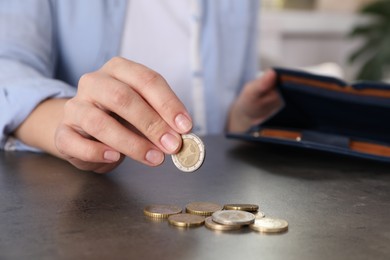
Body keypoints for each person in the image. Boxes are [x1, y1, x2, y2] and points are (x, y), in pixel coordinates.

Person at [0, 0, 282, 173]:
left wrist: (241, 116)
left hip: (218, 193)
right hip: (102, 197)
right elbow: (9, 66)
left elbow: (224, 112)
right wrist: (71, 123)